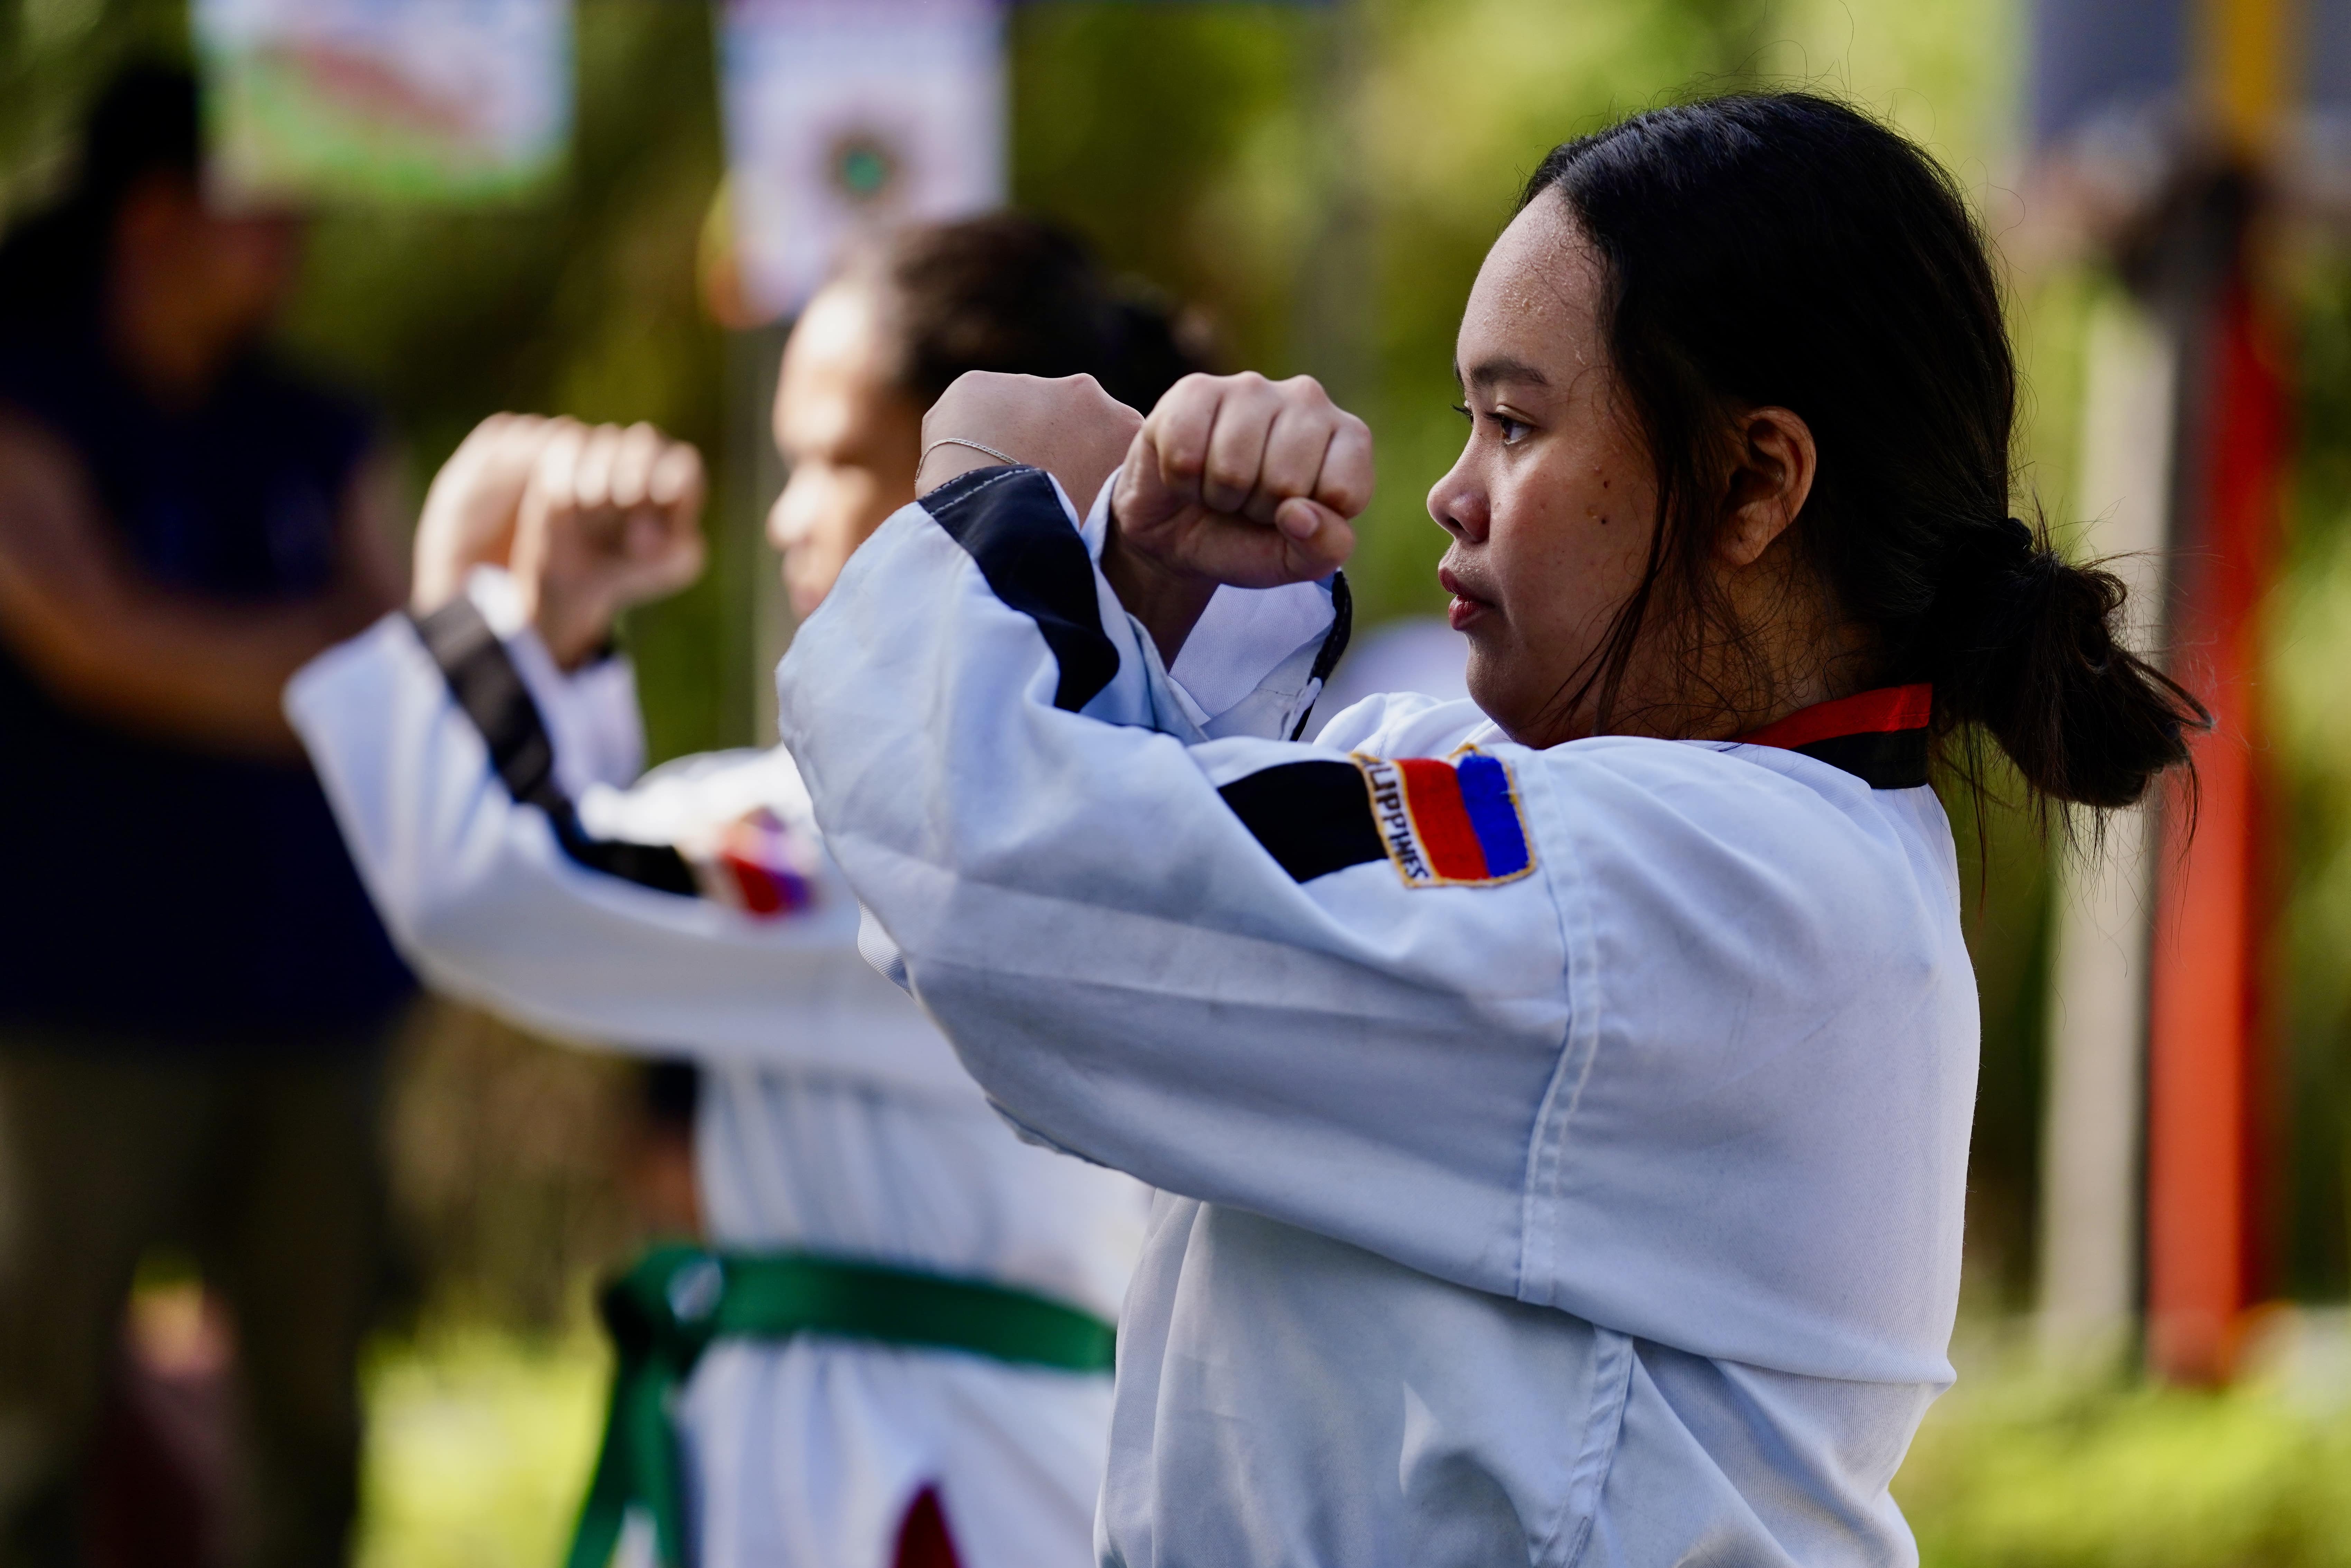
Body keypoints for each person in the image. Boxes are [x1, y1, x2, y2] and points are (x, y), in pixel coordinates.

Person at [769, 94, 2208, 1563]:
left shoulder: (1707, 888)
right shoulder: (1658, 836)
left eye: (1515, 423)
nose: (1449, 491)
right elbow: (1174, 960)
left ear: (1754, 483)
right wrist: (1145, 597)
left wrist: (982, 505)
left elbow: (1019, 907)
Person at [285, 216, 1210, 1568]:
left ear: (975, 469)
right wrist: (558, 632)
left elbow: (508, 894)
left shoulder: (928, 823)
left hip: (898, 1465)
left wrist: (468, 596)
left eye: (831, 460)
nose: (783, 514)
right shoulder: (1071, 776)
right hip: (939, 1443)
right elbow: (627, 918)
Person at [0, 66, 413, 1568]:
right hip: (72, 999)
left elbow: (407, 648)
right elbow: (79, 631)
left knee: (309, 1411)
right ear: (160, 211)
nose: (299, 236)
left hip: (311, 990)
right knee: (33, 1398)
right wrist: (307, 666)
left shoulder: (316, 420)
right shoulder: (29, 395)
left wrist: (181, 654)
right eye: (271, 204)